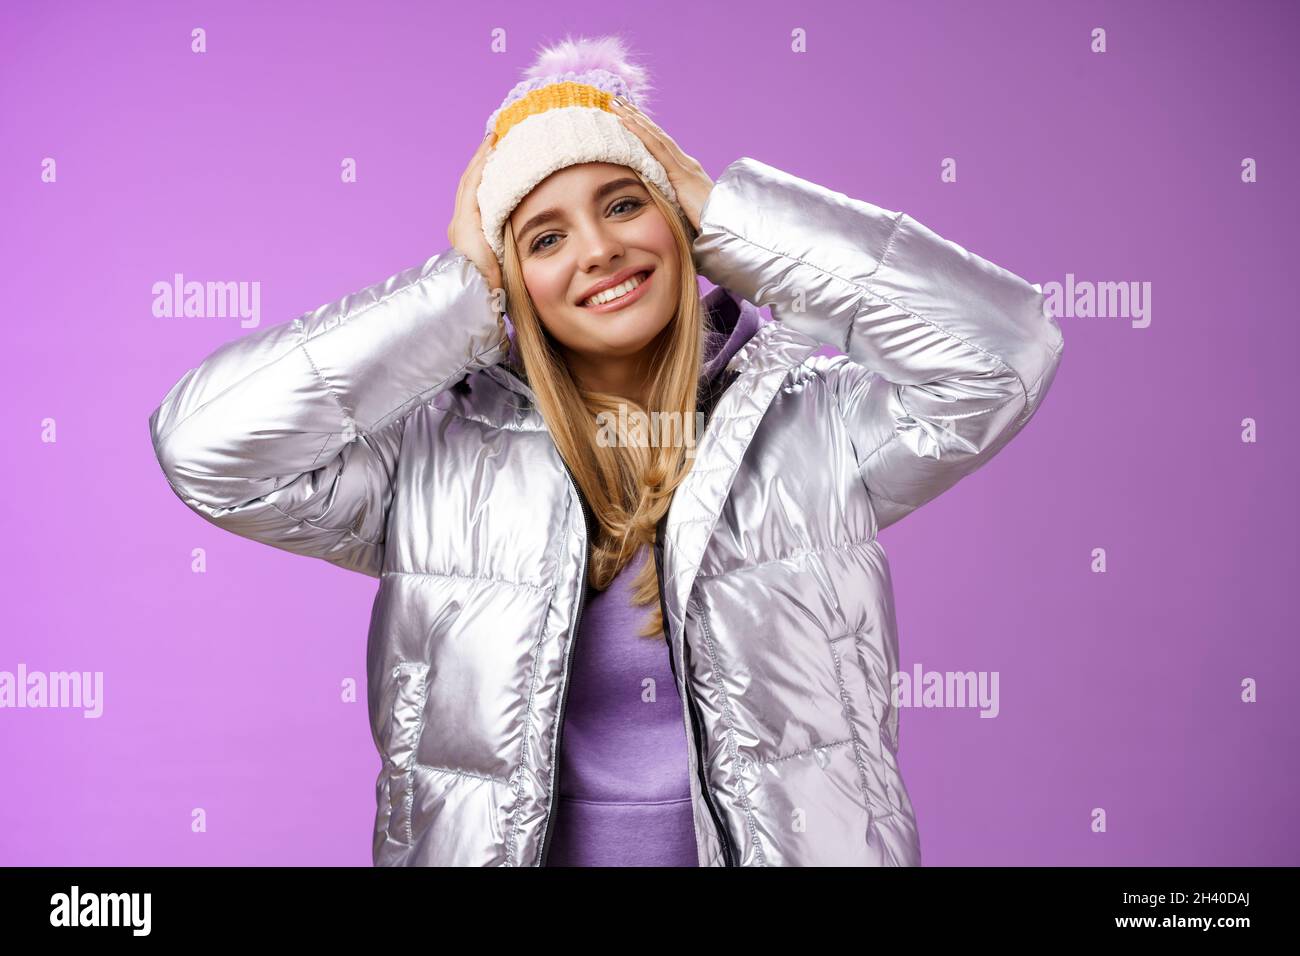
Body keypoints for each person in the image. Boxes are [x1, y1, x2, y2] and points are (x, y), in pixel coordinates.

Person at [148, 34, 1064, 867]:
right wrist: (457, 293)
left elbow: (1004, 353)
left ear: (680, 224)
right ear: (513, 279)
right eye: (544, 237)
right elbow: (207, 448)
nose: (598, 249)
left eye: (625, 203)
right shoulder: (432, 458)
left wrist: (738, 218)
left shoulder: (811, 428)